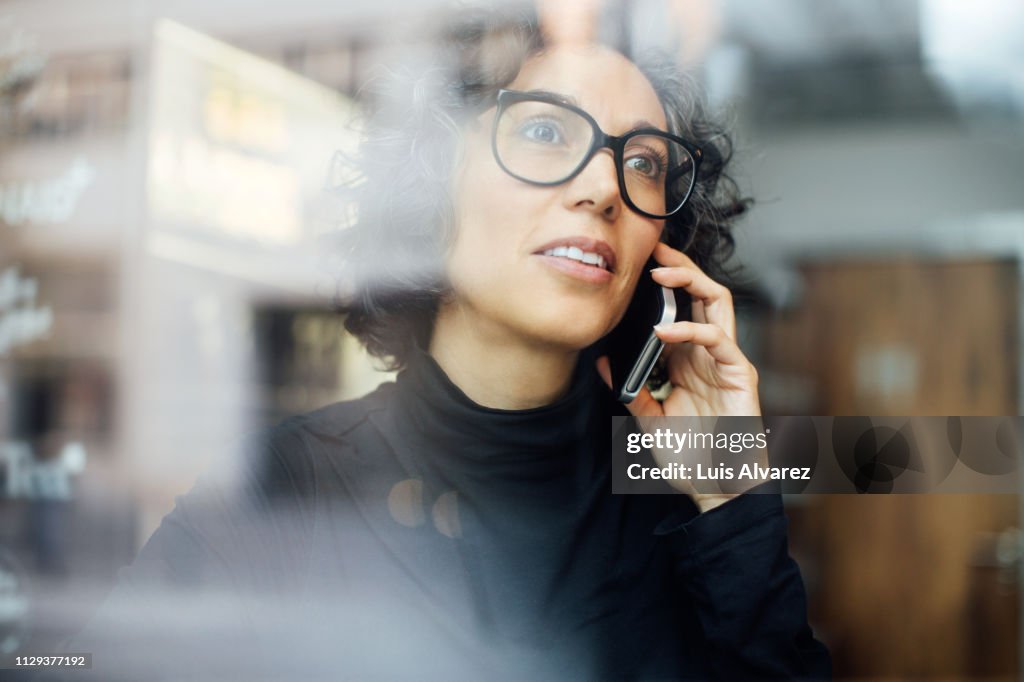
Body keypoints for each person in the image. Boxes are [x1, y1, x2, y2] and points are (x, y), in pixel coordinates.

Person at [60, 6, 831, 680]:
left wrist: (730, 493)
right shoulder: (291, 482)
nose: (602, 187)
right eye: (542, 129)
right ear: (430, 183)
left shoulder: (683, 496)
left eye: (643, 163)